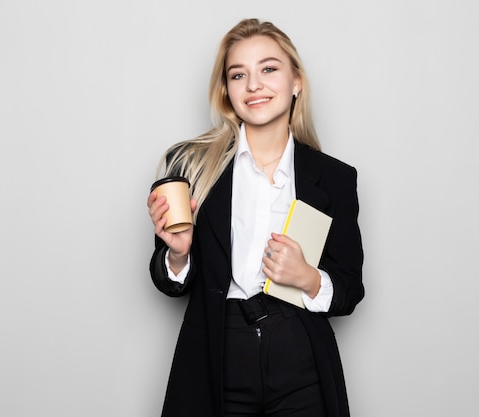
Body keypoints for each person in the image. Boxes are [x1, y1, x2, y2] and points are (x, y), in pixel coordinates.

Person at [146, 18, 364, 417]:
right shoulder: (191, 165)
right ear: (227, 92)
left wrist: (309, 278)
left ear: (296, 81)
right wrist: (177, 255)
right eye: (238, 74)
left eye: (268, 69)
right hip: (218, 348)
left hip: (300, 350)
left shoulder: (334, 178)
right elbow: (168, 281)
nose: (253, 85)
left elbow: (351, 289)